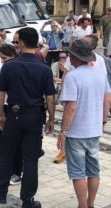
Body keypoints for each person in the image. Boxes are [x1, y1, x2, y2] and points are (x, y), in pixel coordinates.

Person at [0, 27, 55, 207]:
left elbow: (0, 92)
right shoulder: (44, 68)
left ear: (23, 43)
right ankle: (28, 200)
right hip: (34, 117)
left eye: (17, 42)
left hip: (14, 115)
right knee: (31, 159)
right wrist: (50, 119)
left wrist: (1, 114)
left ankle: (1, 192)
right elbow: (50, 97)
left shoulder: (10, 66)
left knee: (6, 154)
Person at [58, 40, 111, 208]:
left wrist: (63, 132)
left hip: (76, 132)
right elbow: (107, 101)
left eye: (71, 55)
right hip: (94, 130)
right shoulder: (99, 74)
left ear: (75, 57)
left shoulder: (73, 76)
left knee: (78, 172)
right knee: (93, 171)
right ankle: (91, 203)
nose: (69, 58)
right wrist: (102, 122)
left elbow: (71, 107)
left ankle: (82, 205)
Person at [0, 44, 22, 186]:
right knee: (0, 138)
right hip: (3, 106)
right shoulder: (7, 66)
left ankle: (15, 170)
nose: (2, 61)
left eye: (4, 58)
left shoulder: (15, 66)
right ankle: (1, 166)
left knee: (12, 140)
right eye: (1, 58)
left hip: (11, 107)